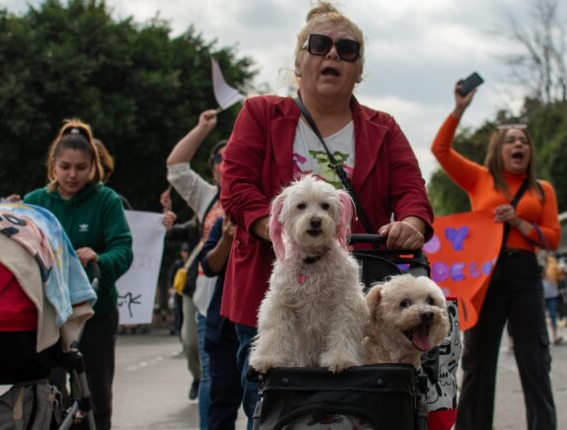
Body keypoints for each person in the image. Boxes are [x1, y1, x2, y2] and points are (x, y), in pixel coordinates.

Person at [219, 2, 434, 425]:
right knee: (275, 414)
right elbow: (237, 185)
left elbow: (412, 190)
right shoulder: (260, 114)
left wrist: (411, 223)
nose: (333, 54)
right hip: (269, 287)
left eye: (347, 49)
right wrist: (279, 230)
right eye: (320, 45)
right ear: (299, 62)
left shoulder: (383, 128)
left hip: (355, 303)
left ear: (359, 70)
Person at [431, 83, 561, 430]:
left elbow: (553, 239)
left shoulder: (542, 190)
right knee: (477, 362)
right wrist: (459, 109)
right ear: (498, 150)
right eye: (511, 140)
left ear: (530, 151)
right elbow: (440, 150)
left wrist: (520, 223)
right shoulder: (480, 179)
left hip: (526, 276)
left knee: (535, 361)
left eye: (524, 141)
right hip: (485, 276)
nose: (518, 145)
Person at [24, 119, 133, 430]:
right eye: (65, 167)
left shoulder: (106, 201)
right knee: (48, 391)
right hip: (49, 317)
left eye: (81, 168)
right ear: (53, 166)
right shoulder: (35, 202)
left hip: (94, 313)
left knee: (96, 394)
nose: (72, 175)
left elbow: (123, 249)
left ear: (92, 167)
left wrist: (101, 258)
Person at [165, 108, 226, 428]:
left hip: (249, 299)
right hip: (207, 295)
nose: (228, 165)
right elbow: (175, 167)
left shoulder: (264, 196)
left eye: (236, 157)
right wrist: (202, 128)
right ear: (213, 170)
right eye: (220, 160)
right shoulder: (206, 197)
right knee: (211, 377)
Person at [199, 216, 243, 429]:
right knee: (222, 405)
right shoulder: (225, 223)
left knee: (261, 405)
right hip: (226, 328)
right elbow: (209, 266)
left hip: (268, 328)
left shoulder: (283, 218)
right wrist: (226, 239)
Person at [543, 252, 564, 344]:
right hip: (540, 294)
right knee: (539, 317)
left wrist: (562, 271)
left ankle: (555, 336)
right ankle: (543, 338)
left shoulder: (553, 261)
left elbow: (559, 276)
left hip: (552, 293)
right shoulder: (534, 260)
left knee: (553, 315)